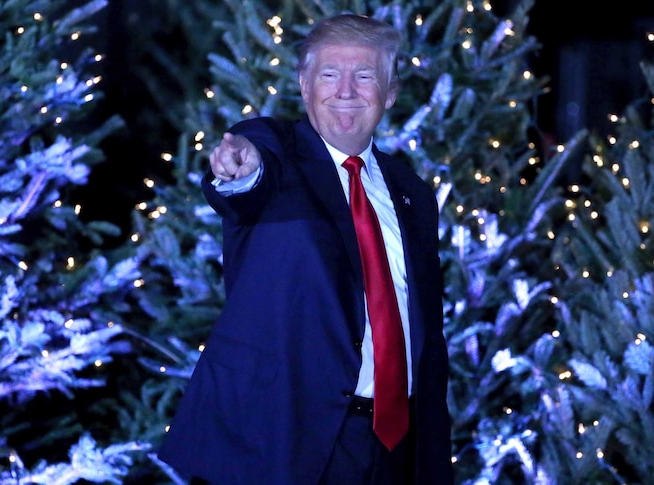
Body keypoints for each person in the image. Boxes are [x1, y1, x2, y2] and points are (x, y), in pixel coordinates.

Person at [158, 13, 453, 485]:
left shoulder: (411, 191)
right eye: (330, 74)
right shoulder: (276, 150)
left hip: (398, 449)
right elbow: (248, 175)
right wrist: (241, 170)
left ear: (390, 94)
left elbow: (423, 330)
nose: (346, 90)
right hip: (286, 442)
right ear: (304, 84)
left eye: (365, 76)